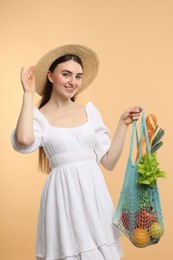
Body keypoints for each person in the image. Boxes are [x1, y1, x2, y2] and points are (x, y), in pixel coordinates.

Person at [11, 44, 141, 260]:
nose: (73, 82)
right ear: (51, 76)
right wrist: (27, 94)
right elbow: (23, 140)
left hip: (94, 194)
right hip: (62, 197)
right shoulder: (39, 117)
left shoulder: (88, 111)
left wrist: (122, 124)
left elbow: (108, 162)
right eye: (66, 74)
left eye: (78, 76)